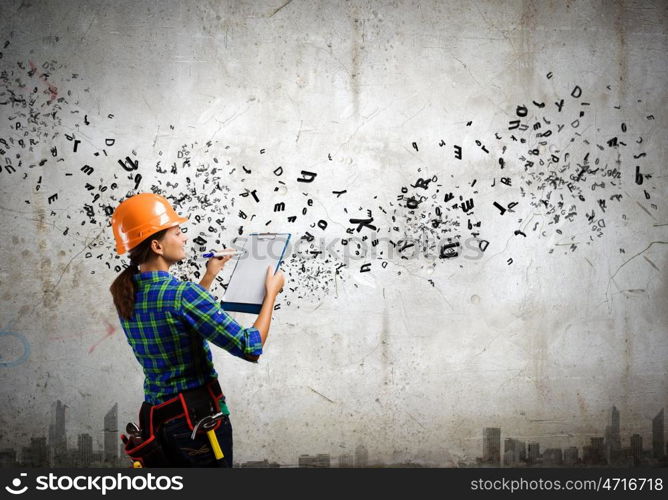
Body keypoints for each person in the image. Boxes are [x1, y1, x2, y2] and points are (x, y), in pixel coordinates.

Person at [109, 192, 285, 467]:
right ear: (157, 245)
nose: (185, 238)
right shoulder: (182, 294)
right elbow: (250, 347)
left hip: (157, 420)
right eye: (178, 232)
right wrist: (271, 293)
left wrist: (210, 275)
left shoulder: (127, 291)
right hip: (196, 423)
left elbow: (179, 321)